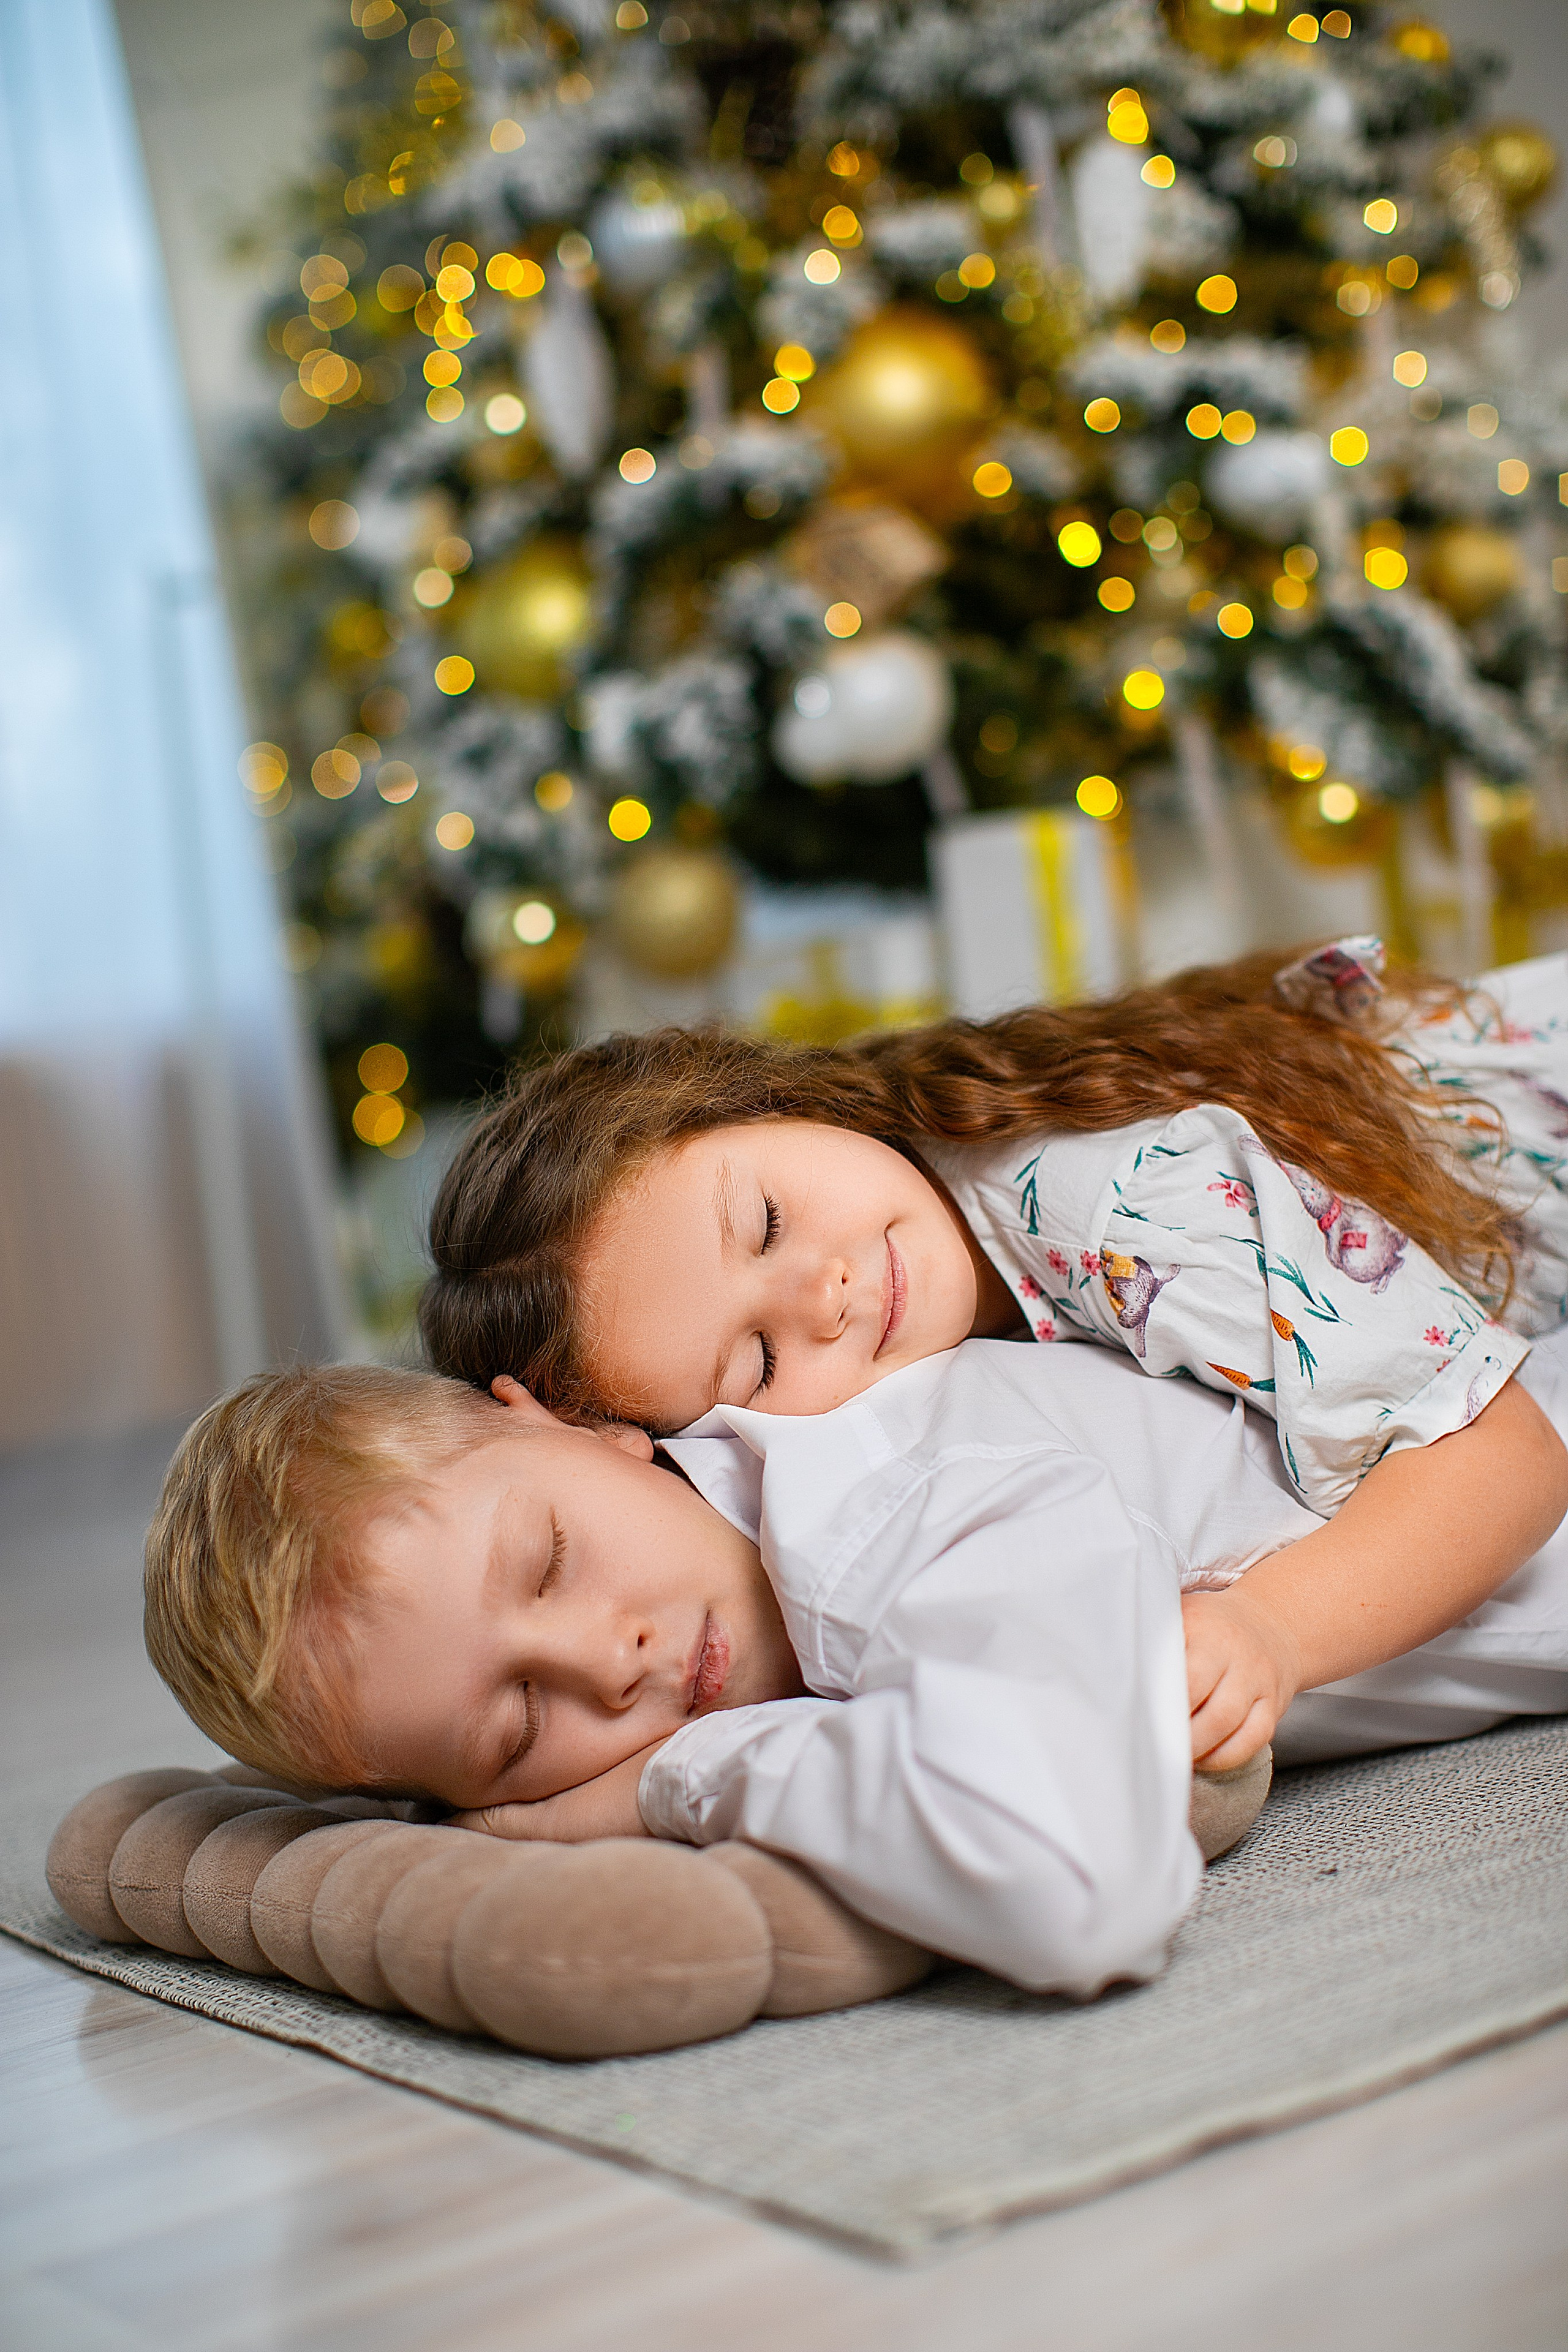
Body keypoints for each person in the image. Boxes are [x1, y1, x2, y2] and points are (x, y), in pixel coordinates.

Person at [420, 940, 1568, 1766]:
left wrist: (1276, 1629)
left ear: (763, 1100)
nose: (823, 1294)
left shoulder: (1114, 1208)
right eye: (757, 1362)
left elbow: (1506, 1458)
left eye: (766, 1223)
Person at [142, 1335, 1568, 1995]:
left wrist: (676, 1778)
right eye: (517, 1727)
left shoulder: (890, 1497)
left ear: (567, 1423)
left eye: (550, 1559)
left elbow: (1072, 1890)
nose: (607, 1663)